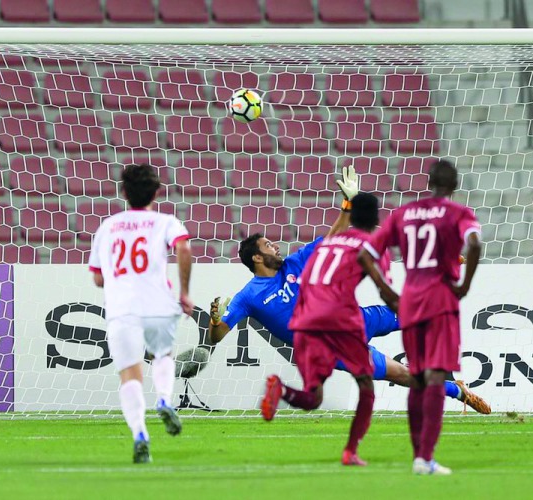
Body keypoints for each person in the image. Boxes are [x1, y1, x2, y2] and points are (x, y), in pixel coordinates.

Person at [196, 166, 490, 414]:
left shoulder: (296, 262)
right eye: (268, 246)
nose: (276, 246)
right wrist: (213, 321)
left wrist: (348, 203)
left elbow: (334, 234)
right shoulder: (249, 296)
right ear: (257, 258)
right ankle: (457, 391)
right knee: (401, 375)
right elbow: (218, 334)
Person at [361, 159, 482, 476]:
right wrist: (465, 284)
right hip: (441, 300)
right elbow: (474, 243)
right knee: (435, 376)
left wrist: (386, 293)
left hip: (410, 301)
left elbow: (366, 254)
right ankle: (424, 458)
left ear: (428, 182)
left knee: (417, 376)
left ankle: (420, 456)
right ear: (454, 185)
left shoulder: (403, 214)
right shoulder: (459, 214)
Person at [260, 192, 384, 466]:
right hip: (338, 318)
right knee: (365, 383)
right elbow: (379, 278)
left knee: (313, 397)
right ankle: (350, 451)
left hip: (304, 320)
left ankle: (281, 390)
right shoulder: (371, 243)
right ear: (376, 218)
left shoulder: (328, 245)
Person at [88, 164, 195, 464]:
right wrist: (184, 292)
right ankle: (164, 398)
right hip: (160, 304)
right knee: (163, 355)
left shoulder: (107, 227)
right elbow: (183, 248)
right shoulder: (165, 221)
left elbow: (97, 278)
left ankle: (140, 434)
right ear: (156, 192)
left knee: (130, 375)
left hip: (123, 309)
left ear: (124, 192)